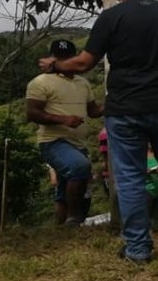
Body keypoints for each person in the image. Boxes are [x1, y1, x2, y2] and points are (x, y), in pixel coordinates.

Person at [38, 0, 158, 263]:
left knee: (129, 178)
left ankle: (138, 248)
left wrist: (55, 65)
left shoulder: (111, 17)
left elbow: (84, 63)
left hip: (125, 110)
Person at [26, 39, 103, 225]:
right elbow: (32, 112)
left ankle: (61, 227)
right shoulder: (40, 82)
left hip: (79, 143)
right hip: (53, 141)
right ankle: (74, 219)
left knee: (65, 189)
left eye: (67, 58)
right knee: (79, 167)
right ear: (52, 59)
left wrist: (115, 104)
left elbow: (93, 111)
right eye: (59, 58)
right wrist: (63, 120)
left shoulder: (83, 83)